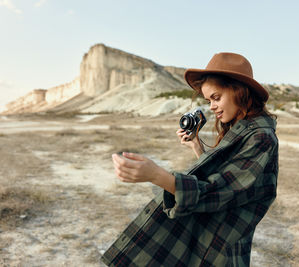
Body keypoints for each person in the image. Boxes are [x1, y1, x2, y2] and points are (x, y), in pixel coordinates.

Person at [101, 52, 278, 266]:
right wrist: (196, 145)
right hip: (206, 242)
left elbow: (217, 192)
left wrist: (157, 175)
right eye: (208, 100)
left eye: (216, 97)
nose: (212, 106)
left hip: (219, 252)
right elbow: (223, 178)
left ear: (239, 91)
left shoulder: (261, 138)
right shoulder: (242, 130)